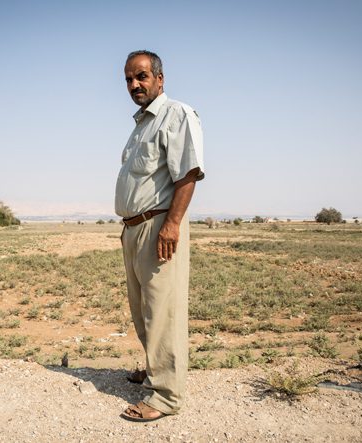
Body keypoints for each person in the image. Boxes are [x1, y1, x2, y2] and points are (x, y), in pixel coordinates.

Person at [115, 50, 205, 422]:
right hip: (134, 229)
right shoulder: (141, 125)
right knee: (143, 310)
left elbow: (187, 174)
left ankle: (166, 396)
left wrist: (171, 224)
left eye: (141, 77)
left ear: (160, 79)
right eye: (128, 80)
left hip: (159, 227)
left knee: (163, 311)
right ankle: (155, 372)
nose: (134, 85)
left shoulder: (176, 114)